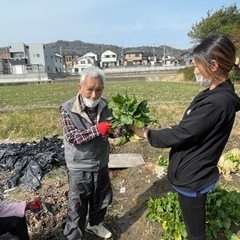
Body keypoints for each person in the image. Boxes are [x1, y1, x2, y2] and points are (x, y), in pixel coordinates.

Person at [129, 34, 240, 240]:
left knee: (195, 234)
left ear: (213, 65)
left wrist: (142, 132)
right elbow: (191, 129)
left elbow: (180, 134)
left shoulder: (217, 103)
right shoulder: (218, 91)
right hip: (195, 169)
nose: (195, 70)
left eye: (198, 65)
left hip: (193, 178)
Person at [60, 66, 120, 240]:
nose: (94, 95)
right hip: (79, 165)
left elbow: (112, 130)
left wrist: (116, 131)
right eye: (90, 90)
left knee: (101, 198)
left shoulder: (107, 105)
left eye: (98, 90)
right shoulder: (67, 109)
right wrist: (97, 130)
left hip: (101, 162)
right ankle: (74, 236)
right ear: (80, 88)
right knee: (77, 205)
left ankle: (95, 225)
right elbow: (72, 137)